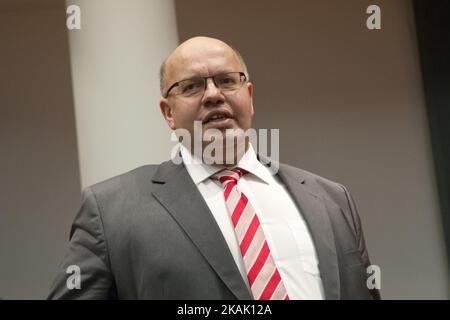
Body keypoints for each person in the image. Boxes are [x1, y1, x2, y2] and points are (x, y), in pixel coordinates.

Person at [48, 36, 380, 300]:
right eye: (191, 86)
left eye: (226, 80)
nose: (213, 95)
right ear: (168, 113)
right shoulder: (111, 211)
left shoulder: (332, 199)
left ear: (249, 95)